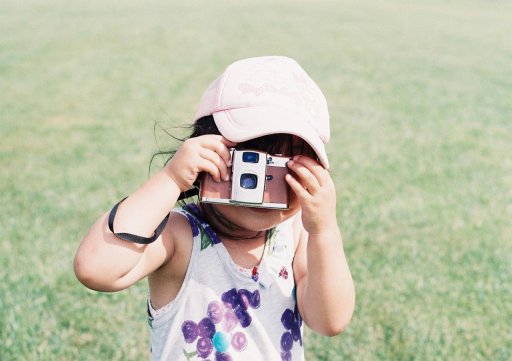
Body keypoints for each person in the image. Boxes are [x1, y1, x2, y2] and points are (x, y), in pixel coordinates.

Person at [74, 56, 355, 361]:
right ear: (205, 150)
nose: (263, 188)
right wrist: (171, 179)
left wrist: (325, 231)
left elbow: (330, 321)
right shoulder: (180, 236)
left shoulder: (296, 233)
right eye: (250, 162)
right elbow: (95, 270)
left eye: (286, 170)